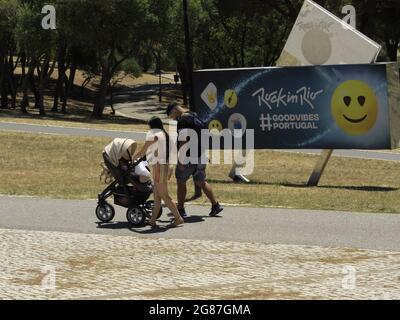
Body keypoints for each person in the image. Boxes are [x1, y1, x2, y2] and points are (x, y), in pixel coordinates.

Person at [166, 102, 223, 217]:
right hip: (201, 155)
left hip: (188, 157)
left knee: (181, 182)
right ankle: (215, 205)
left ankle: (181, 210)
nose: (173, 118)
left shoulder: (182, 121)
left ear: (174, 111)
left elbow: (183, 140)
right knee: (201, 181)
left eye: (172, 116)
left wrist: (181, 159)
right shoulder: (194, 116)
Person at [134, 116, 184, 228]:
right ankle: (152, 221)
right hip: (163, 167)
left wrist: (132, 159)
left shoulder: (155, 136)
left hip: (159, 168)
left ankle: (178, 218)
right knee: (157, 195)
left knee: (164, 196)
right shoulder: (165, 135)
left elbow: (142, 151)